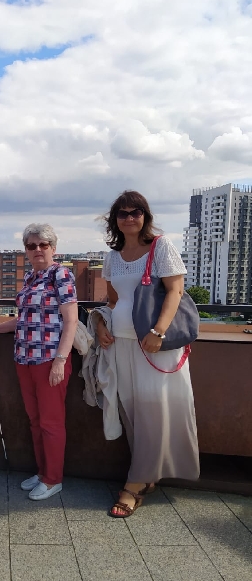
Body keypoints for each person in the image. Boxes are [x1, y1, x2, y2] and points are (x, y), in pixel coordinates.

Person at [97, 191, 199, 517]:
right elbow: (114, 300)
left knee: (155, 412)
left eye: (136, 212)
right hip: (122, 344)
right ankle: (147, 474)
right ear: (115, 219)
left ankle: (135, 484)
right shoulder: (112, 256)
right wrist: (100, 323)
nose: (129, 218)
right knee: (133, 412)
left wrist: (158, 332)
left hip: (155, 346)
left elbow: (175, 290)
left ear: (145, 216)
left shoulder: (160, 246)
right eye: (123, 213)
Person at [0, 224, 78, 500]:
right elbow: (24, 319)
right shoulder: (30, 277)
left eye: (43, 244)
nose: (37, 249)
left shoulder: (61, 274)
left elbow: (71, 320)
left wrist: (60, 360)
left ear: (53, 248)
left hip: (49, 359)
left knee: (51, 422)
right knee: (35, 421)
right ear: (26, 250)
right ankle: (42, 472)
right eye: (31, 245)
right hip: (24, 358)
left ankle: (53, 479)